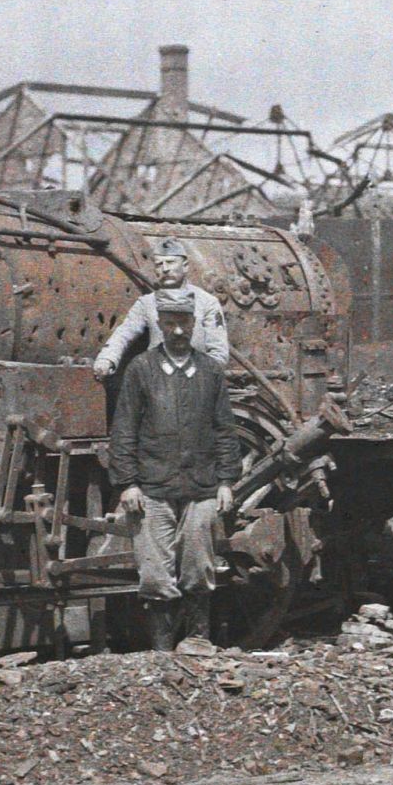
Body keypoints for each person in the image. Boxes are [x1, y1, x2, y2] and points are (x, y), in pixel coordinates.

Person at [109, 289, 241, 650]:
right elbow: (123, 430)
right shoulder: (141, 369)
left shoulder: (210, 372)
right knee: (155, 574)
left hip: (201, 488)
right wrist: (127, 483)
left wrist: (226, 481)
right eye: (170, 323)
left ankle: (198, 645)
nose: (178, 331)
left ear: (194, 324)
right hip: (152, 488)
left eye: (184, 322)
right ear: (160, 325)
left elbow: (225, 430)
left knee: (199, 568)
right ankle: (163, 654)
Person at [92, 237, 229, 378]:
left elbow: (219, 352)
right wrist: (107, 359)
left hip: (197, 378)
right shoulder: (147, 303)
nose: (165, 269)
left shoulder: (207, 302)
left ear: (185, 266)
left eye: (170, 262)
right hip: (157, 378)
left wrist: (199, 376)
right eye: (159, 264)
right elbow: (124, 333)